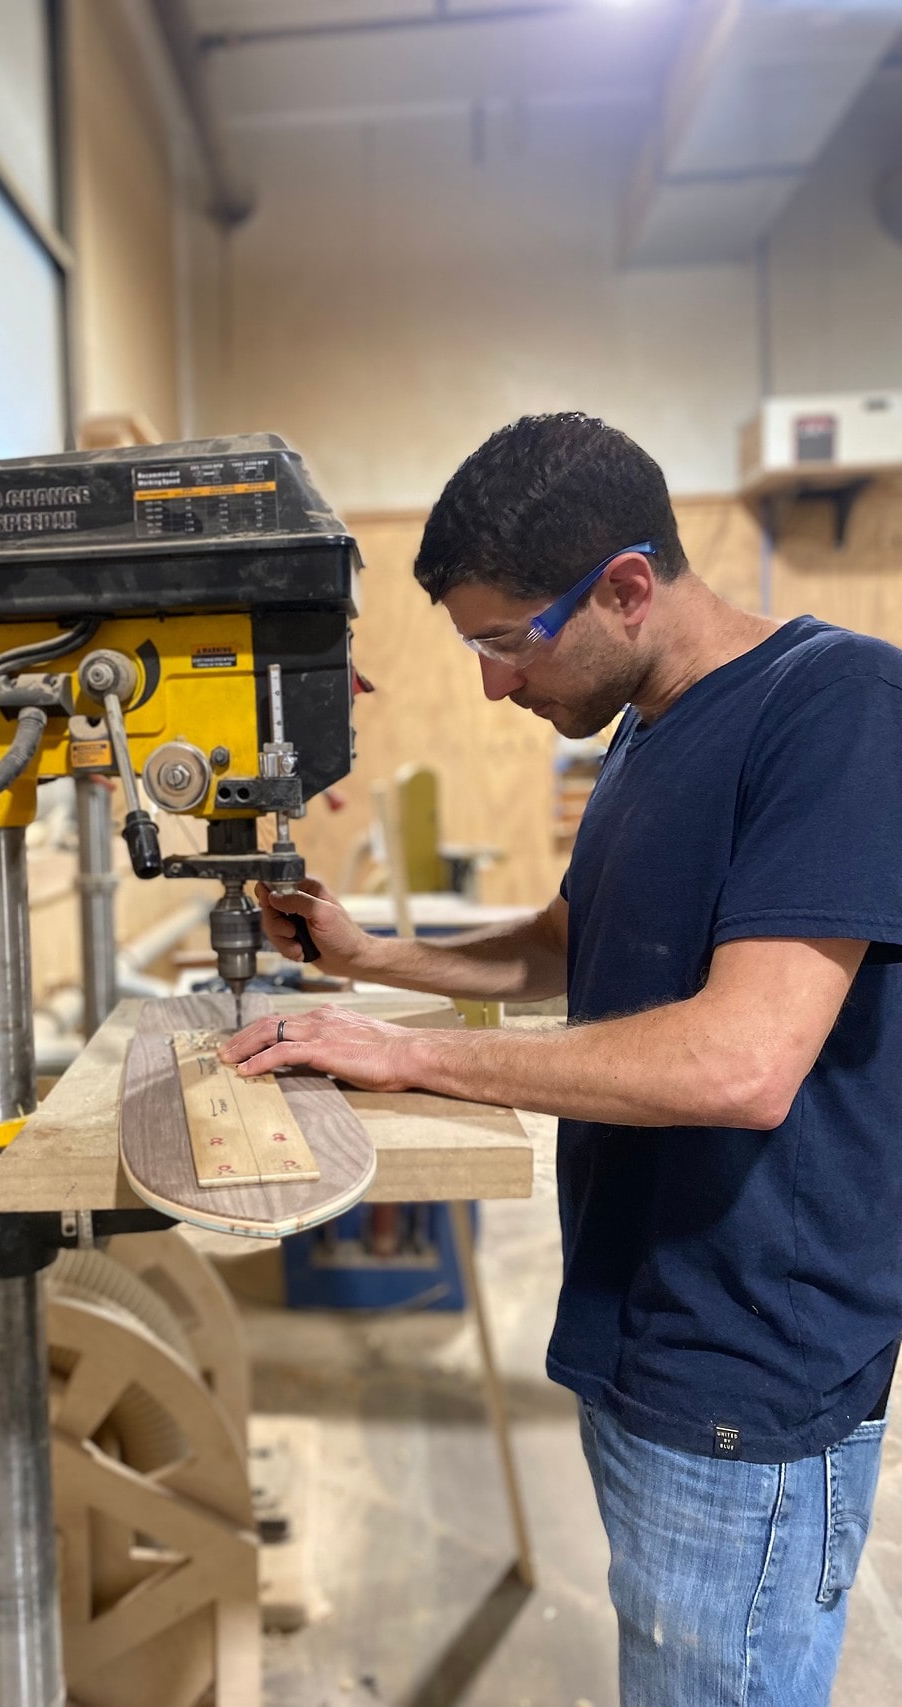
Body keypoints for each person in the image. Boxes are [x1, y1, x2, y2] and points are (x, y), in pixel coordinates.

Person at [221, 412, 902, 1706]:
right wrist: (368, 960)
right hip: (640, 1329)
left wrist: (413, 1061)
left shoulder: (840, 711)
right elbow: (564, 944)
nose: (488, 681)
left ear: (629, 587)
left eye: (501, 640)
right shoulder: (647, 731)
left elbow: (742, 1063)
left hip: (749, 1375)